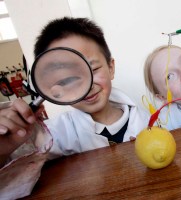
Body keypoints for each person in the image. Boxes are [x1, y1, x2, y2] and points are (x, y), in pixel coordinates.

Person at [0, 17, 148, 199]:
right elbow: (12, 186)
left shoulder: (147, 119)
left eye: (92, 70)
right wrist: (4, 150)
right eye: (67, 79)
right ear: (55, 90)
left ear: (111, 68)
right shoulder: (53, 135)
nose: (85, 84)